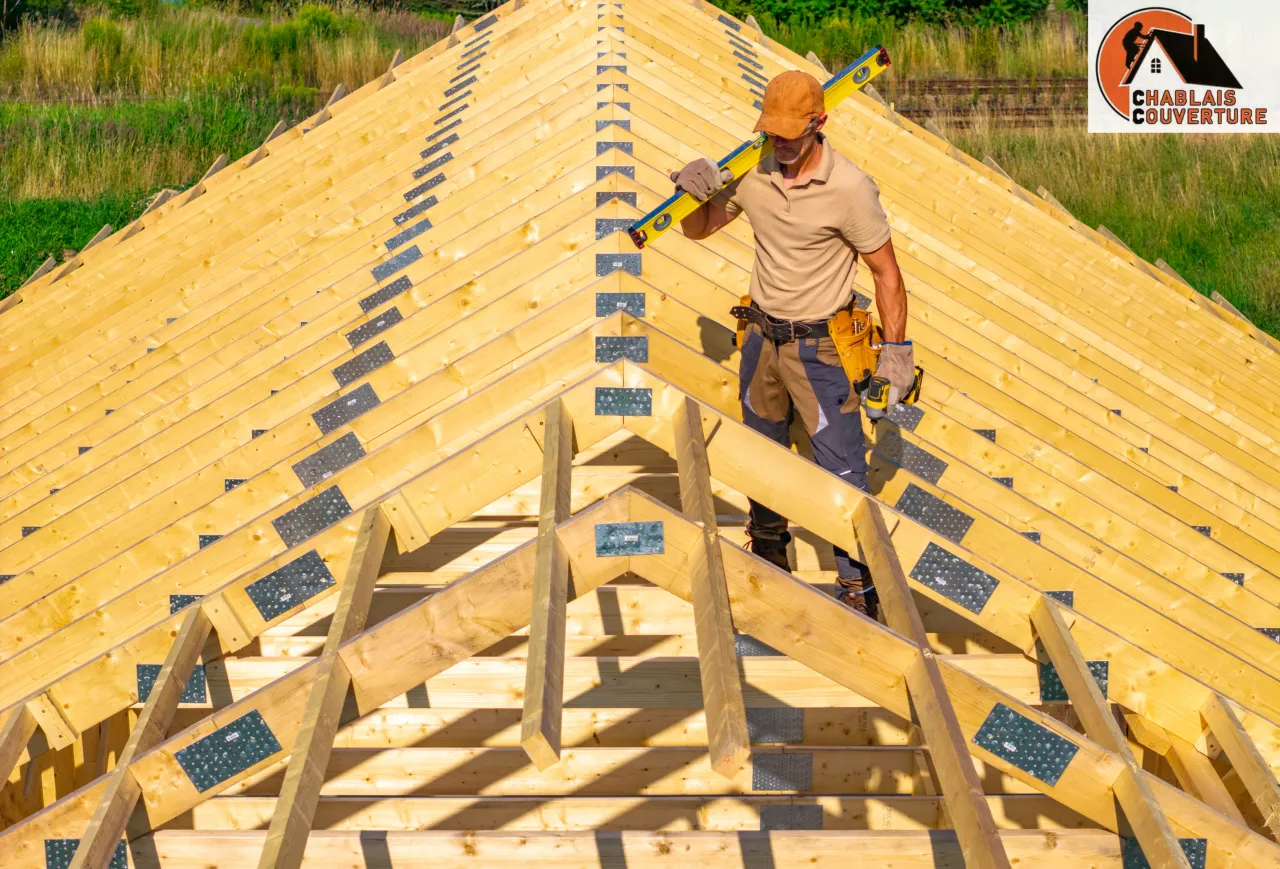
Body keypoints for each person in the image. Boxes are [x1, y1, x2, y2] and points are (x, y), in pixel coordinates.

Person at [669, 70, 915, 620]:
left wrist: (896, 354)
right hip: (761, 339)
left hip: (821, 349)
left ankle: (859, 590)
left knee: (841, 469)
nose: (778, 142)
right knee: (761, 455)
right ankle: (769, 560)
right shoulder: (752, 170)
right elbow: (700, 228)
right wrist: (687, 194)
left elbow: (887, 274)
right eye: (771, 130)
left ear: (818, 123)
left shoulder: (849, 188)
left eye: (790, 132)